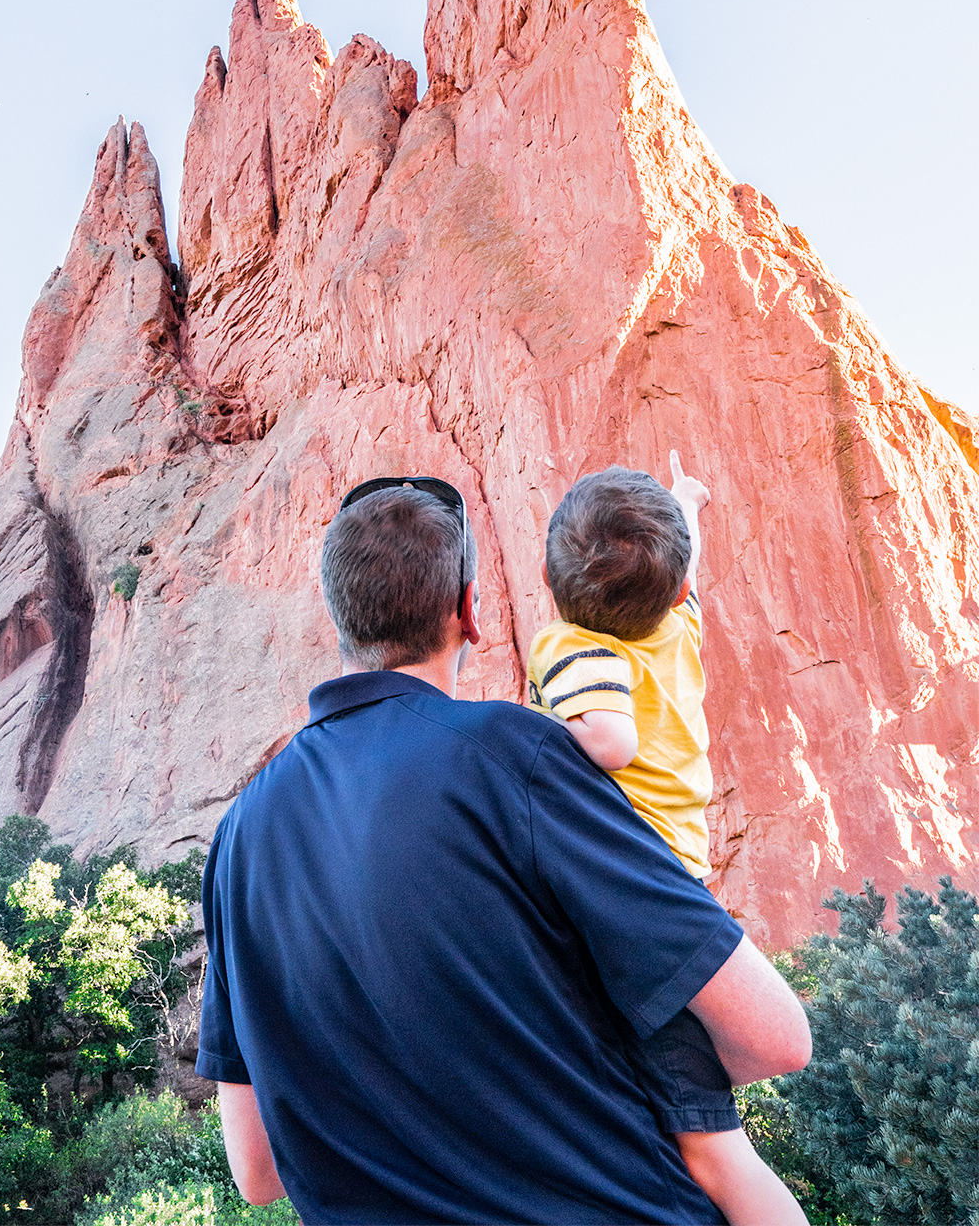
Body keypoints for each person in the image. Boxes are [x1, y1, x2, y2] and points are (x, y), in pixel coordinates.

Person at [196, 476, 811, 1225]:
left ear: (342, 620)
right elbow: (775, 1037)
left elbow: (257, 1171)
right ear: (468, 611)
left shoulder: (237, 842)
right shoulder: (515, 757)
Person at [527, 452, 806, 1225]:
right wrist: (688, 504)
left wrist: (536, 742)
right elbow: (687, 575)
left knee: (703, 1142)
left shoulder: (568, 648)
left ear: (554, 585)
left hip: (627, 885)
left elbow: (611, 740)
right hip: (679, 865)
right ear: (677, 590)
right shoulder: (678, 627)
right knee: (714, 1139)